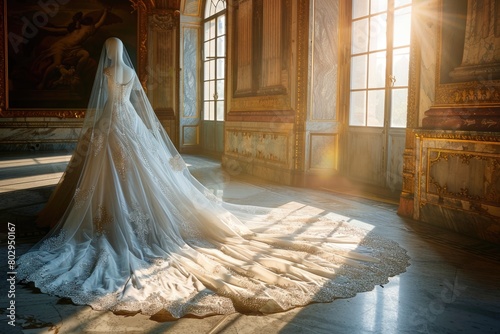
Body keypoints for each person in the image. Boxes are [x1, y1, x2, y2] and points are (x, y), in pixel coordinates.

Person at [17, 37, 410, 318]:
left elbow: (109, 102)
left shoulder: (105, 69)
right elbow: (138, 104)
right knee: (136, 174)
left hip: (112, 124)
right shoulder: (127, 73)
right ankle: (119, 213)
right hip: (129, 124)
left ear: (108, 53)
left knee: (115, 175)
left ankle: (108, 217)